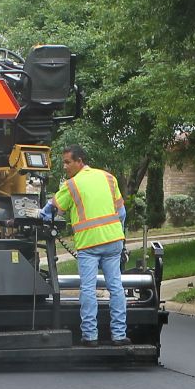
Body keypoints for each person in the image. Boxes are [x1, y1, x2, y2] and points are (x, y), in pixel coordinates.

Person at [43, 146, 129, 346]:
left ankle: (90, 336)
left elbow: (51, 210)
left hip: (89, 245)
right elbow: (122, 213)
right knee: (116, 287)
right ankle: (119, 335)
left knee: (88, 289)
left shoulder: (72, 184)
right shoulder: (109, 178)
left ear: (79, 161)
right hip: (113, 241)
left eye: (68, 162)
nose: (65, 166)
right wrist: (120, 236)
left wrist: (34, 215)